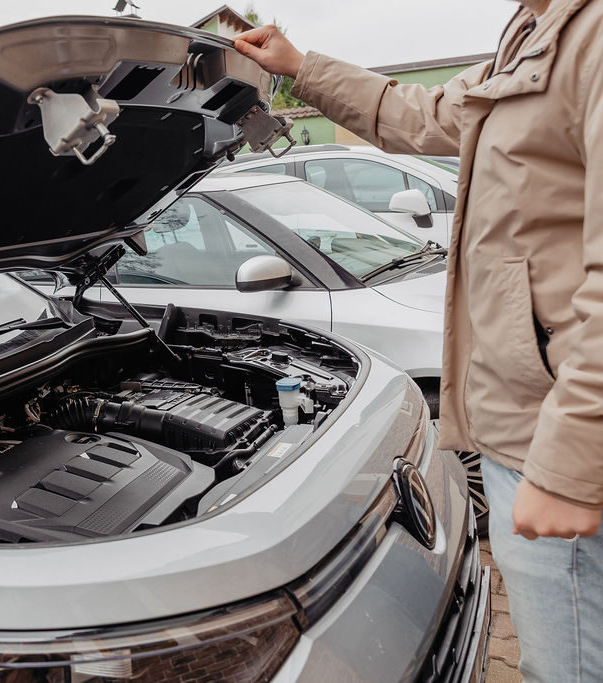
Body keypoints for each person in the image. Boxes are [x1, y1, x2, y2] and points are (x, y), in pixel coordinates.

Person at [232, 1, 603, 680]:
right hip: (530, 432)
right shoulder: (534, 31)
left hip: (558, 441)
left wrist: (574, 458)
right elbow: (426, 113)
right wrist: (301, 67)